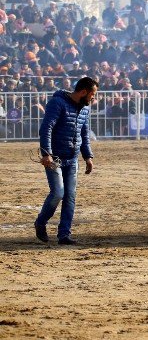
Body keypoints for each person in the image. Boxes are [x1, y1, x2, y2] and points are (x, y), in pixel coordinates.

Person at [34, 77, 98, 245]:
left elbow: (84, 134)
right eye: (92, 94)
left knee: (70, 197)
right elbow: (46, 128)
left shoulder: (85, 109)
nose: (93, 98)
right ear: (83, 92)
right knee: (58, 193)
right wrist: (46, 153)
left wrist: (88, 156)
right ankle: (40, 222)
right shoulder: (57, 103)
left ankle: (64, 235)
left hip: (72, 159)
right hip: (54, 158)